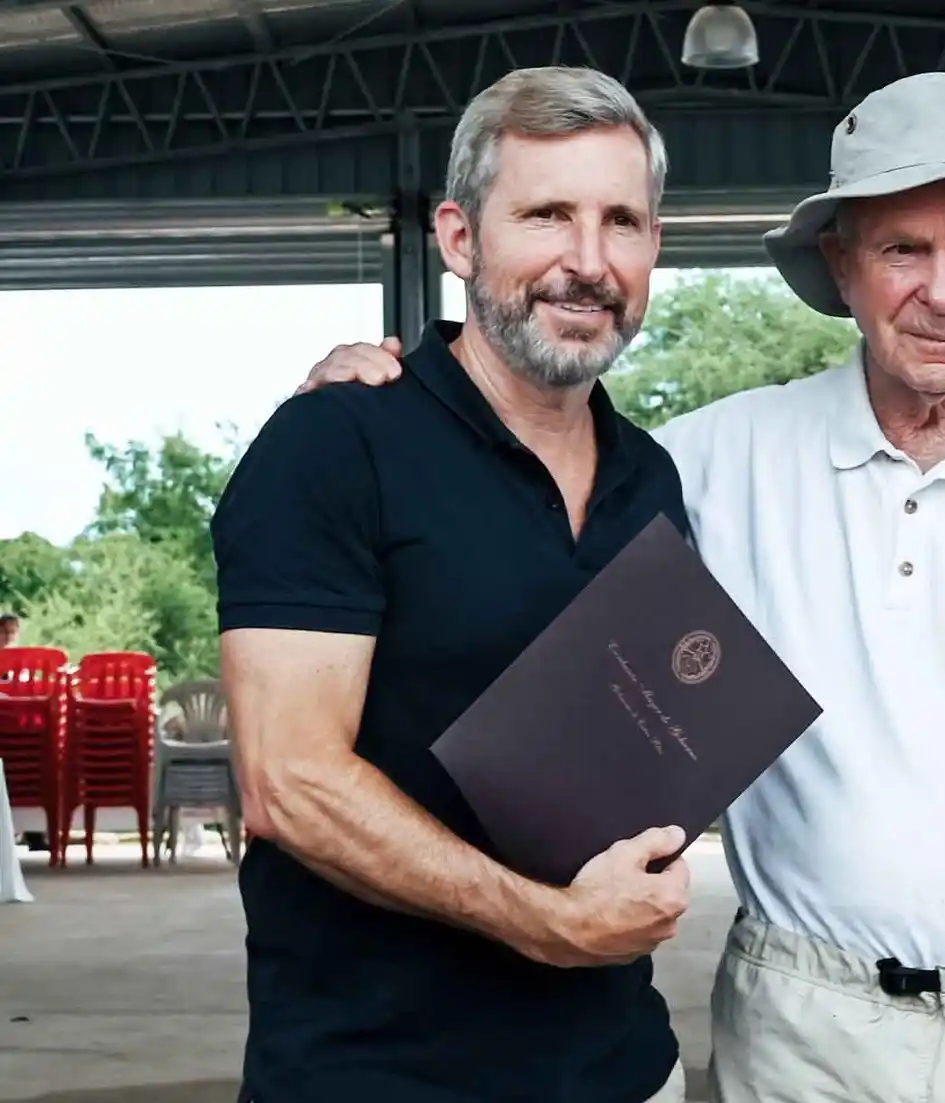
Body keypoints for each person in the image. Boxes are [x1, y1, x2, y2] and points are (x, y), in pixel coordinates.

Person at [297, 71, 945, 1103]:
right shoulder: (709, 461)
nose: (943, 288)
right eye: (902, 249)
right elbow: (516, 450)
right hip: (803, 1034)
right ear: (842, 262)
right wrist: (380, 401)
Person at [210, 66, 695, 1103]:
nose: (589, 261)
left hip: (623, 1067)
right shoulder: (336, 443)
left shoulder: (650, 474)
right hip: (381, 1076)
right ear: (460, 238)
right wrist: (551, 923)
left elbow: (642, 753)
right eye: (548, 215)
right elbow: (288, 784)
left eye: (623, 222)